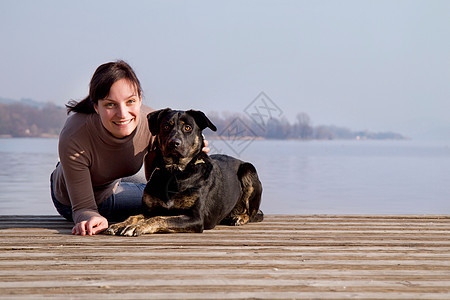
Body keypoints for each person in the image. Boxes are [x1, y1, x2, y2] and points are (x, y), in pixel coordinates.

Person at [50, 60, 208, 236]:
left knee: (172, 192)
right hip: (73, 198)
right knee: (164, 203)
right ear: (96, 106)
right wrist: (91, 216)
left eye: (130, 101)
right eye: (110, 104)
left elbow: (174, 150)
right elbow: (83, 207)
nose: (123, 114)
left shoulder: (153, 122)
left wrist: (193, 149)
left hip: (113, 180)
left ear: (140, 99)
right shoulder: (75, 134)